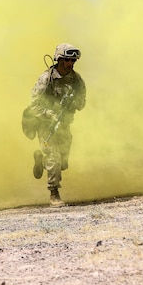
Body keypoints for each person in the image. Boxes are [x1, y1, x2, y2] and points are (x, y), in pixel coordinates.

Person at [25, 43, 87, 207]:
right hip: (47, 125)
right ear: (59, 60)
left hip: (65, 125)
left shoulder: (76, 79)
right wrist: (49, 114)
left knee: (63, 163)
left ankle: (40, 159)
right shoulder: (46, 79)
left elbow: (82, 102)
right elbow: (34, 104)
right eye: (67, 60)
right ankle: (54, 193)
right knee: (55, 159)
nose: (70, 64)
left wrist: (74, 102)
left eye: (73, 60)